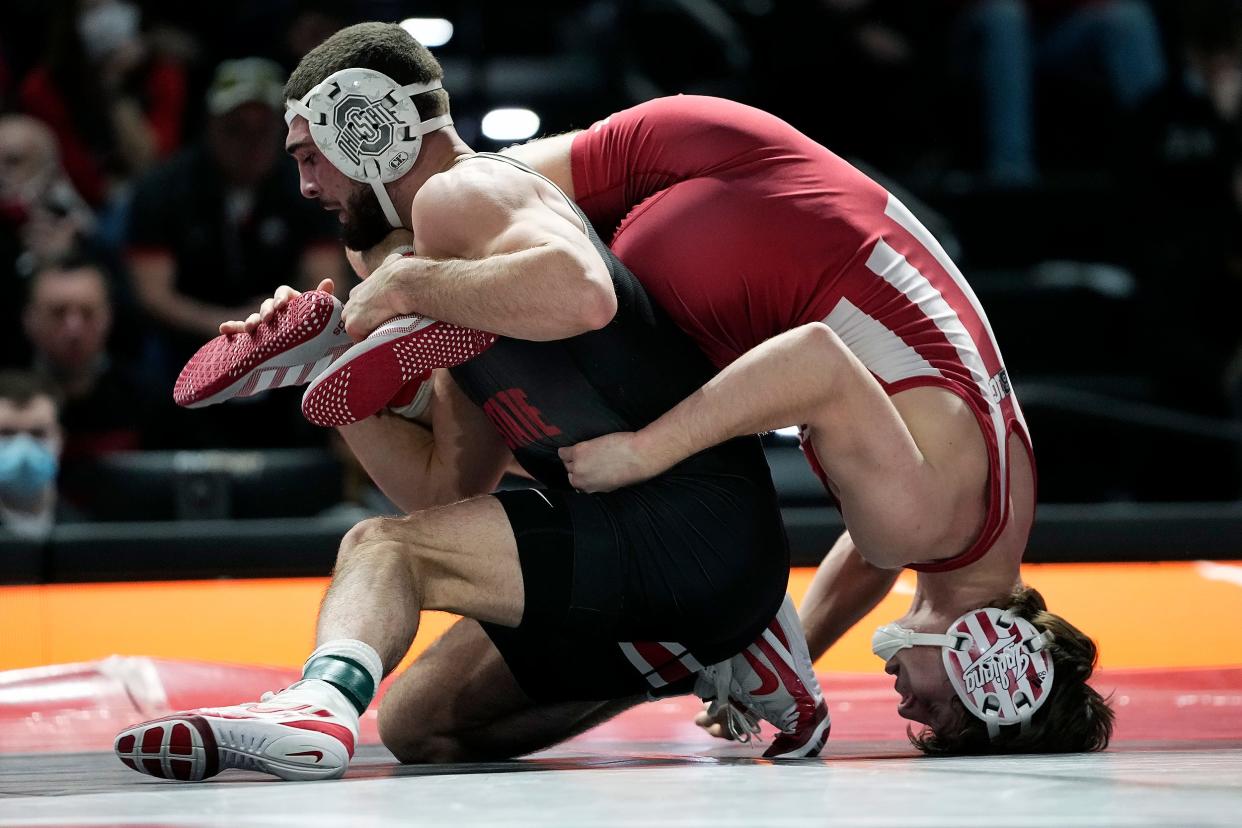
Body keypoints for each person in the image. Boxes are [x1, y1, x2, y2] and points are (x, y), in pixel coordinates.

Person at [257, 90, 1114, 753]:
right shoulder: (920, 523)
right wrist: (645, 450)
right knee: (549, 397)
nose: (905, 708)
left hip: (751, 167)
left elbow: (868, 557)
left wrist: (788, 652)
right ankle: (407, 307)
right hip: (722, 251)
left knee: (430, 215)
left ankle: (388, 309)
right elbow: (813, 359)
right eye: (939, 713)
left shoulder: (984, 519)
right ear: (986, 658)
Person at [114, 23, 825, 784]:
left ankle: (317, 706)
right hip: (676, 556)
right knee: (423, 723)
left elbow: (581, 292)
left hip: (689, 519)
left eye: (311, 156)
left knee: (379, 548)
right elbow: (447, 492)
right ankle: (726, 655)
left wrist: (403, 285)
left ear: (368, 129)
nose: (307, 188)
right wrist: (325, 377)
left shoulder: (470, 190)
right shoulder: (443, 277)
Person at [0, 371, 66, 539]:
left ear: (60, 439)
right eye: (7, 433)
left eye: (37, 433)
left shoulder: (89, 533)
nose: (23, 446)